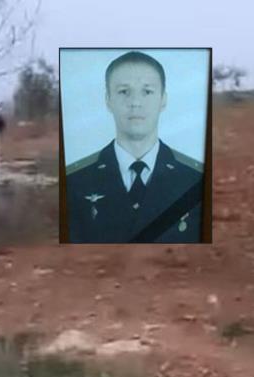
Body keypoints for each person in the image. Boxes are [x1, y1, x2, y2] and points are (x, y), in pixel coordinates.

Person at [65, 51, 204, 243]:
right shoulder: (73, 182)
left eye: (147, 92)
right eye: (124, 92)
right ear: (108, 100)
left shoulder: (196, 180)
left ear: (163, 100)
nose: (135, 103)